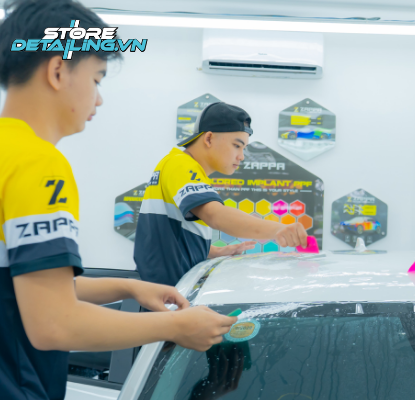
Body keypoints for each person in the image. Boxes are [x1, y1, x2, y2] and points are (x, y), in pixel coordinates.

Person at [0, 1, 237, 398]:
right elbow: (54, 323)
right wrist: (177, 325)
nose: (99, 99)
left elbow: (21, 285)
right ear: (58, 70)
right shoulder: (38, 163)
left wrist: (128, 288)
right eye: (97, 79)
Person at [134, 102, 309, 286]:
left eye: (243, 149)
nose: (241, 156)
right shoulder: (181, 165)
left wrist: (214, 252)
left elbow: (168, 237)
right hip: (165, 294)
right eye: (237, 145)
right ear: (209, 138)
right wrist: (277, 229)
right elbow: (215, 215)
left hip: (165, 290)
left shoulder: (177, 165)